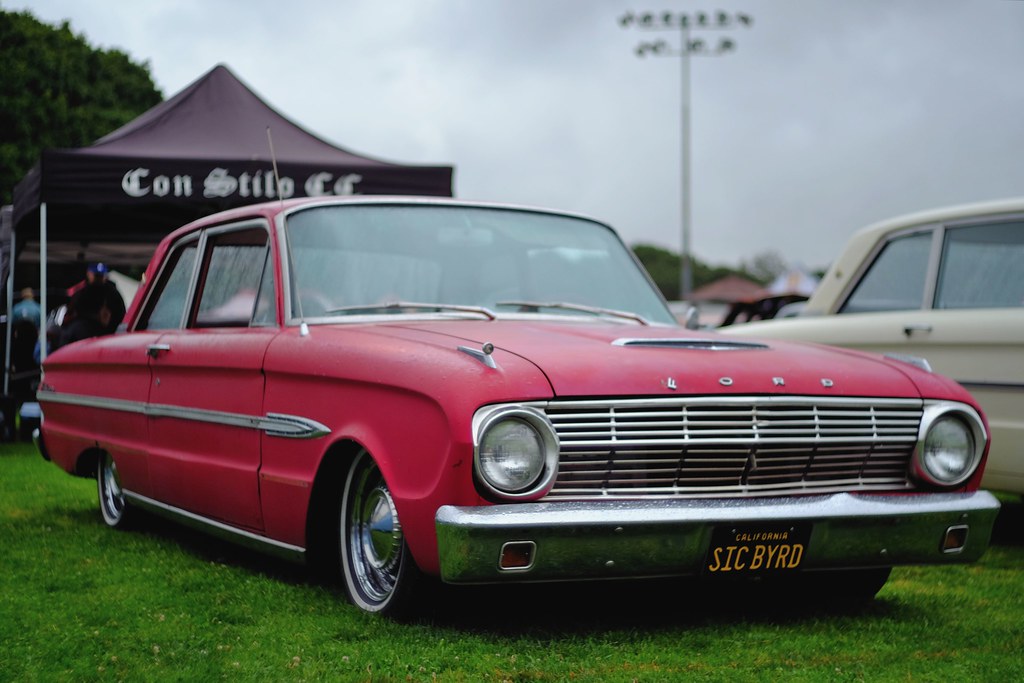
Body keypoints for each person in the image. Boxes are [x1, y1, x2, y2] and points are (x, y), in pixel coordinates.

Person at [66, 263, 126, 334]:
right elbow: (72, 312)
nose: (99, 278)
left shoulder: (113, 294)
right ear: (88, 274)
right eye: (96, 275)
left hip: (106, 334)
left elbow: (121, 315)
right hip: (84, 332)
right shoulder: (82, 292)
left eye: (101, 275)